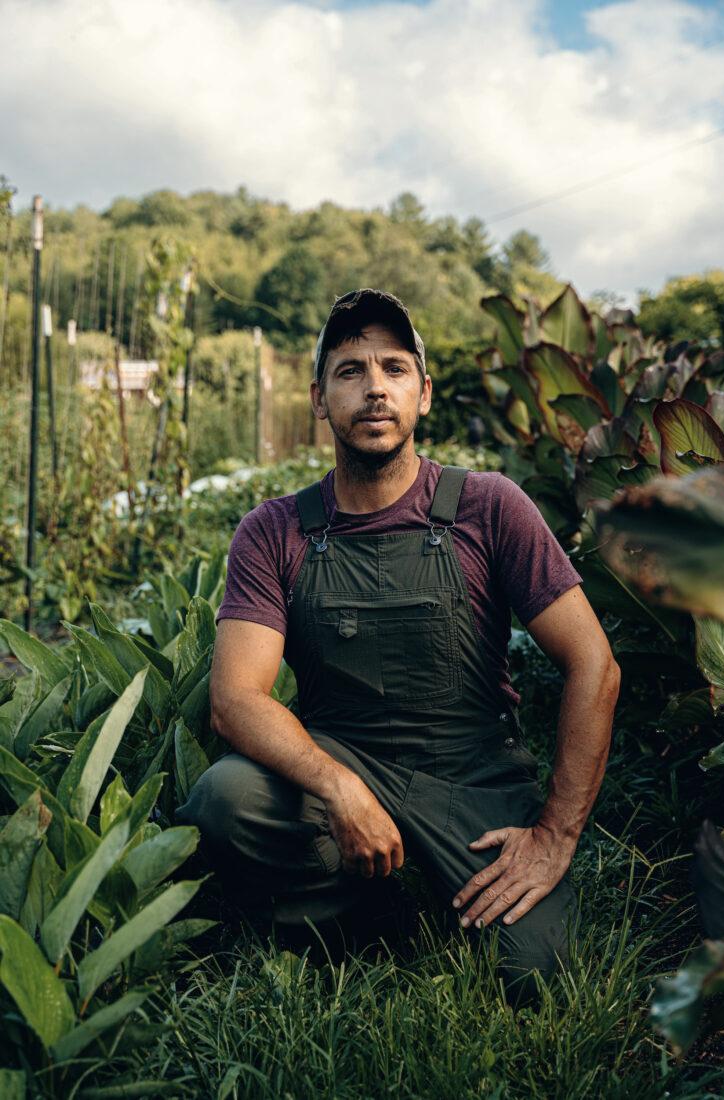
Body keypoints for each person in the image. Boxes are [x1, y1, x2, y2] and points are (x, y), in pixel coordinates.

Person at [177, 288, 621, 1005]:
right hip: (342, 758)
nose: (375, 388)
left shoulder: (488, 506)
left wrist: (554, 835)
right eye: (350, 371)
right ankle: (371, 911)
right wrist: (340, 786)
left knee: (537, 978)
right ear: (319, 399)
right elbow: (236, 699)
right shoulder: (275, 530)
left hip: (471, 781)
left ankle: (413, 894)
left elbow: (593, 665)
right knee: (226, 798)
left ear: (424, 392)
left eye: (394, 367)